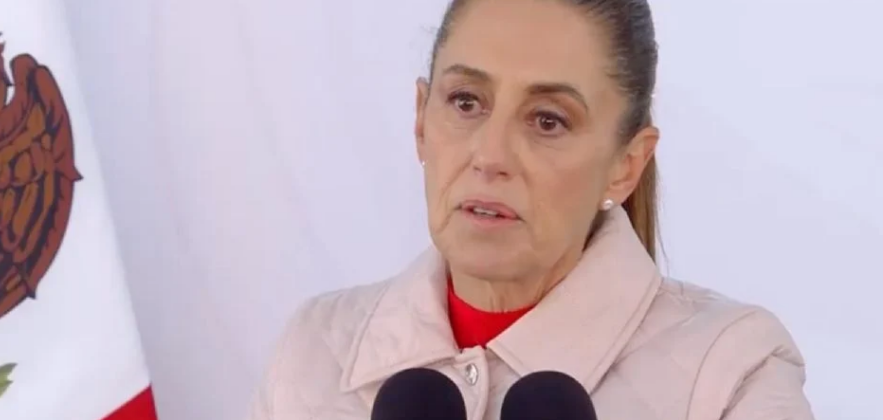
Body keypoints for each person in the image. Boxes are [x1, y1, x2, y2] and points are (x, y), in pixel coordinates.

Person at [249, 0, 815, 418]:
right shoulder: (314, 352)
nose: (490, 156)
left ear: (626, 164)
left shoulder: (730, 373)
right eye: (466, 102)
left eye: (548, 120)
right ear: (421, 120)